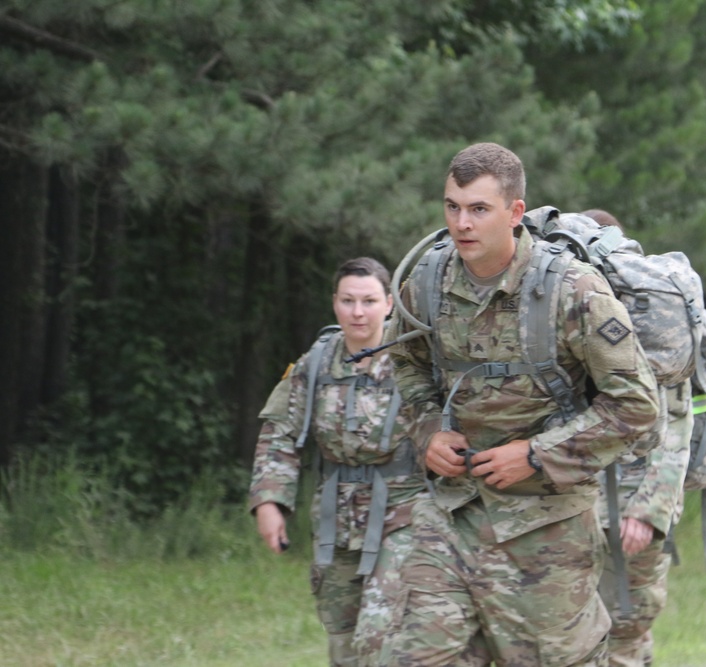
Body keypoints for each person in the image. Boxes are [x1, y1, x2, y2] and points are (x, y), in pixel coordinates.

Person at [379, 143, 661, 666]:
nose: (462, 223)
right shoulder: (426, 280)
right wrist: (427, 432)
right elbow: (408, 365)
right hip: (452, 512)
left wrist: (536, 455)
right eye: (452, 207)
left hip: (547, 528)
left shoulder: (573, 291)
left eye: (479, 209)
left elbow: (637, 405)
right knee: (413, 655)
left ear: (514, 212)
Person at [248, 257, 429, 667]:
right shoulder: (313, 364)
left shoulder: (415, 361)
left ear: (389, 303)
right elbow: (280, 432)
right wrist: (269, 501)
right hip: (336, 519)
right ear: (335, 303)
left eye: (368, 301)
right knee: (343, 643)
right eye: (348, 301)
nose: (358, 312)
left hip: (404, 517)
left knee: (378, 637)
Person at [584, 209, 694, 667]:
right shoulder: (563, 311)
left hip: (635, 499)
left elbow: (678, 428)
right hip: (577, 499)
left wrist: (649, 510)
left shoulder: (652, 325)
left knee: (627, 627)